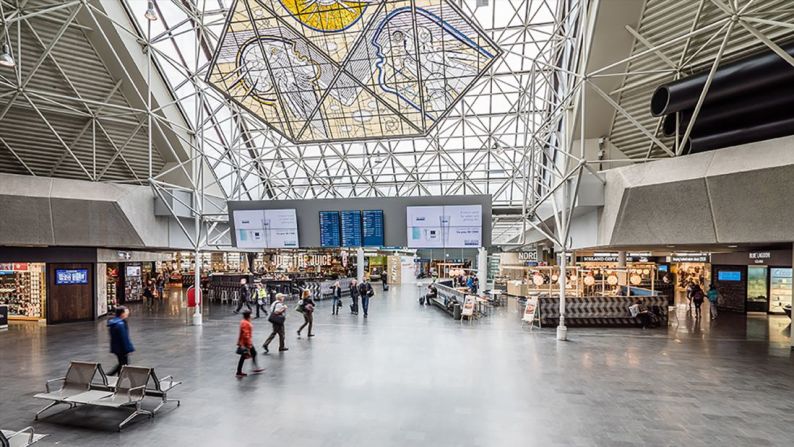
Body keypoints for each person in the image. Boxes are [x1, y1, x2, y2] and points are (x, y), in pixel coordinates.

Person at [107, 306, 135, 376]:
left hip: (117, 347)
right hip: (121, 348)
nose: (128, 313)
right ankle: (114, 376)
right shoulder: (120, 324)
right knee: (124, 365)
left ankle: (115, 376)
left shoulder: (116, 322)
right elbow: (124, 338)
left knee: (122, 364)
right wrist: (128, 349)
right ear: (122, 313)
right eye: (126, 312)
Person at [236, 310, 264, 378]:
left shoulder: (244, 321)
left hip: (243, 342)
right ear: (248, 316)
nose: (251, 316)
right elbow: (246, 335)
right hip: (246, 343)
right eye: (250, 315)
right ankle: (254, 368)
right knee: (249, 354)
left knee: (250, 355)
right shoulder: (246, 323)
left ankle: (240, 371)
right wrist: (249, 345)